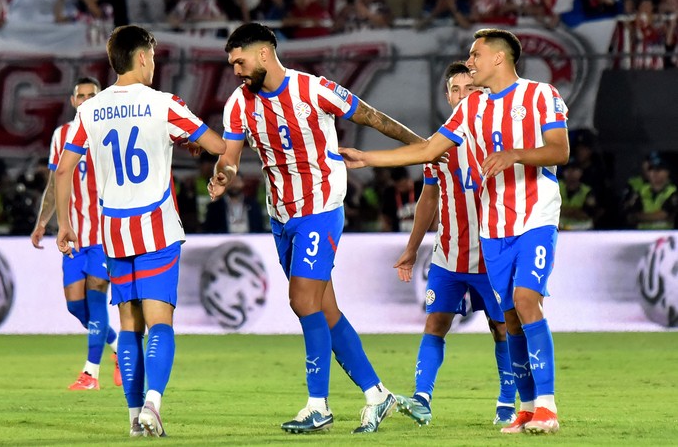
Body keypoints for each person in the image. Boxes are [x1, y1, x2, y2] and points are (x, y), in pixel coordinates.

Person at [340, 28, 569, 435]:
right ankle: (528, 408)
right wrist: (367, 158)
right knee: (512, 319)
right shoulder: (471, 108)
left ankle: (548, 407)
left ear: (498, 58)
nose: (470, 62)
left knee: (526, 299)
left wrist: (515, 154)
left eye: (475, 55)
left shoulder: (540, 94)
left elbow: (559, 149)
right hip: (493, 227)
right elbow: (428, 150)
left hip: (535, 216)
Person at [209, 22, 426, 435]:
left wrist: (425, 148)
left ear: (263, 54)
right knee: (324, 310)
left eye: (239, 62)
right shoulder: (239, 103)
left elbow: (373, 118)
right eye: (231, 64)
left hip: (321, 207)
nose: (235, 71)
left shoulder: (314, 89)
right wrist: (225, 173)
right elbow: (231, 156)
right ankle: (377, 394)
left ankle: (317, 405)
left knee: (302, 299)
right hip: (281, 215)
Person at [54, 25, 226, 437]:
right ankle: (153, 404)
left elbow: (63, 169)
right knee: (160, 323)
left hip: (112, 228)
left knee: (129, 325)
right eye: (153, 54)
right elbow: (218, 146)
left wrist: (66, 225)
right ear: (144, 57)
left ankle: (135, 420)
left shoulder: (89, 110)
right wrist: (200, 148)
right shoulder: (164, 103)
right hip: (155, 226)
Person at [392, 61, 516, 427]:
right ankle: (421, 399)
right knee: (436, 324)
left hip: (492, 256)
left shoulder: (498, 138)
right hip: (448, 254)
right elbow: (428, 200)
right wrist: (412, 248)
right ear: (448, 97)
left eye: (470, 89)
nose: (463, 95)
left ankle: (507, 402)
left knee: (502, 328)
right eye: (456, 90)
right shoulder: (437, 146)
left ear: (481, 92)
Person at [31, 76, 122, 392]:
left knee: (97, 298)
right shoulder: (62, 135)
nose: (85, 99)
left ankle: (90, 374)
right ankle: (119, 345)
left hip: (103, 235)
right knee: (75, 306)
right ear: (73, 101)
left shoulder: (110, 132)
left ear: (99, 98)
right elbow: (56, 183)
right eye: (80, 95)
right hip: (73, 236)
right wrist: (43, 222)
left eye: (91, 95)